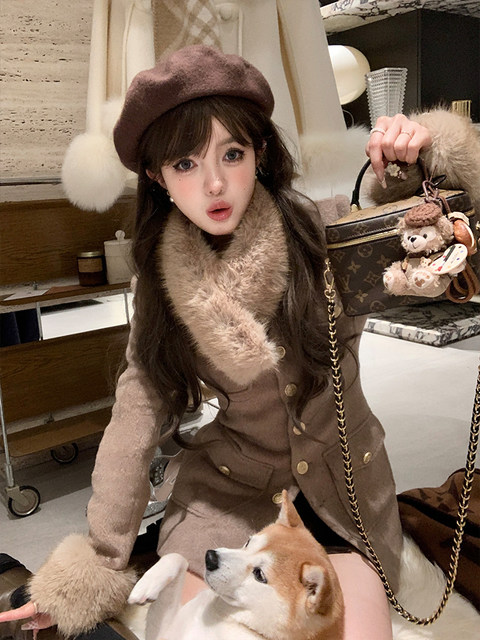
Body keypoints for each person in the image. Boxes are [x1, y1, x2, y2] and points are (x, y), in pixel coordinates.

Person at [1, 45, 479, 639]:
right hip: (231, 493)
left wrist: (424, 158)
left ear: (260, 153)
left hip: (344, 491)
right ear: (156, 176)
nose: (215, 183)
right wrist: (98, 562)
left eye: (232, 153)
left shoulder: (324, 233)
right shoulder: (161, 284)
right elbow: (136, 413)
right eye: (185, 163)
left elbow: (426, 225)